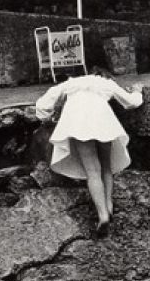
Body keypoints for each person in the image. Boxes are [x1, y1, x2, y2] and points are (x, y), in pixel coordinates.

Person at [34, 66, 143, 237]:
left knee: (92, 172)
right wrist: (137, 91)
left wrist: (47, 117)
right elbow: (132, 102)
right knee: (106, 167)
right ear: (101, 74)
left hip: (80, 125)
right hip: (103, 122)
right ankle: (109, 205)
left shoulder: (69, 85)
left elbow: (42, 104)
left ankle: (102, 215)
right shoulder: (105, 83)